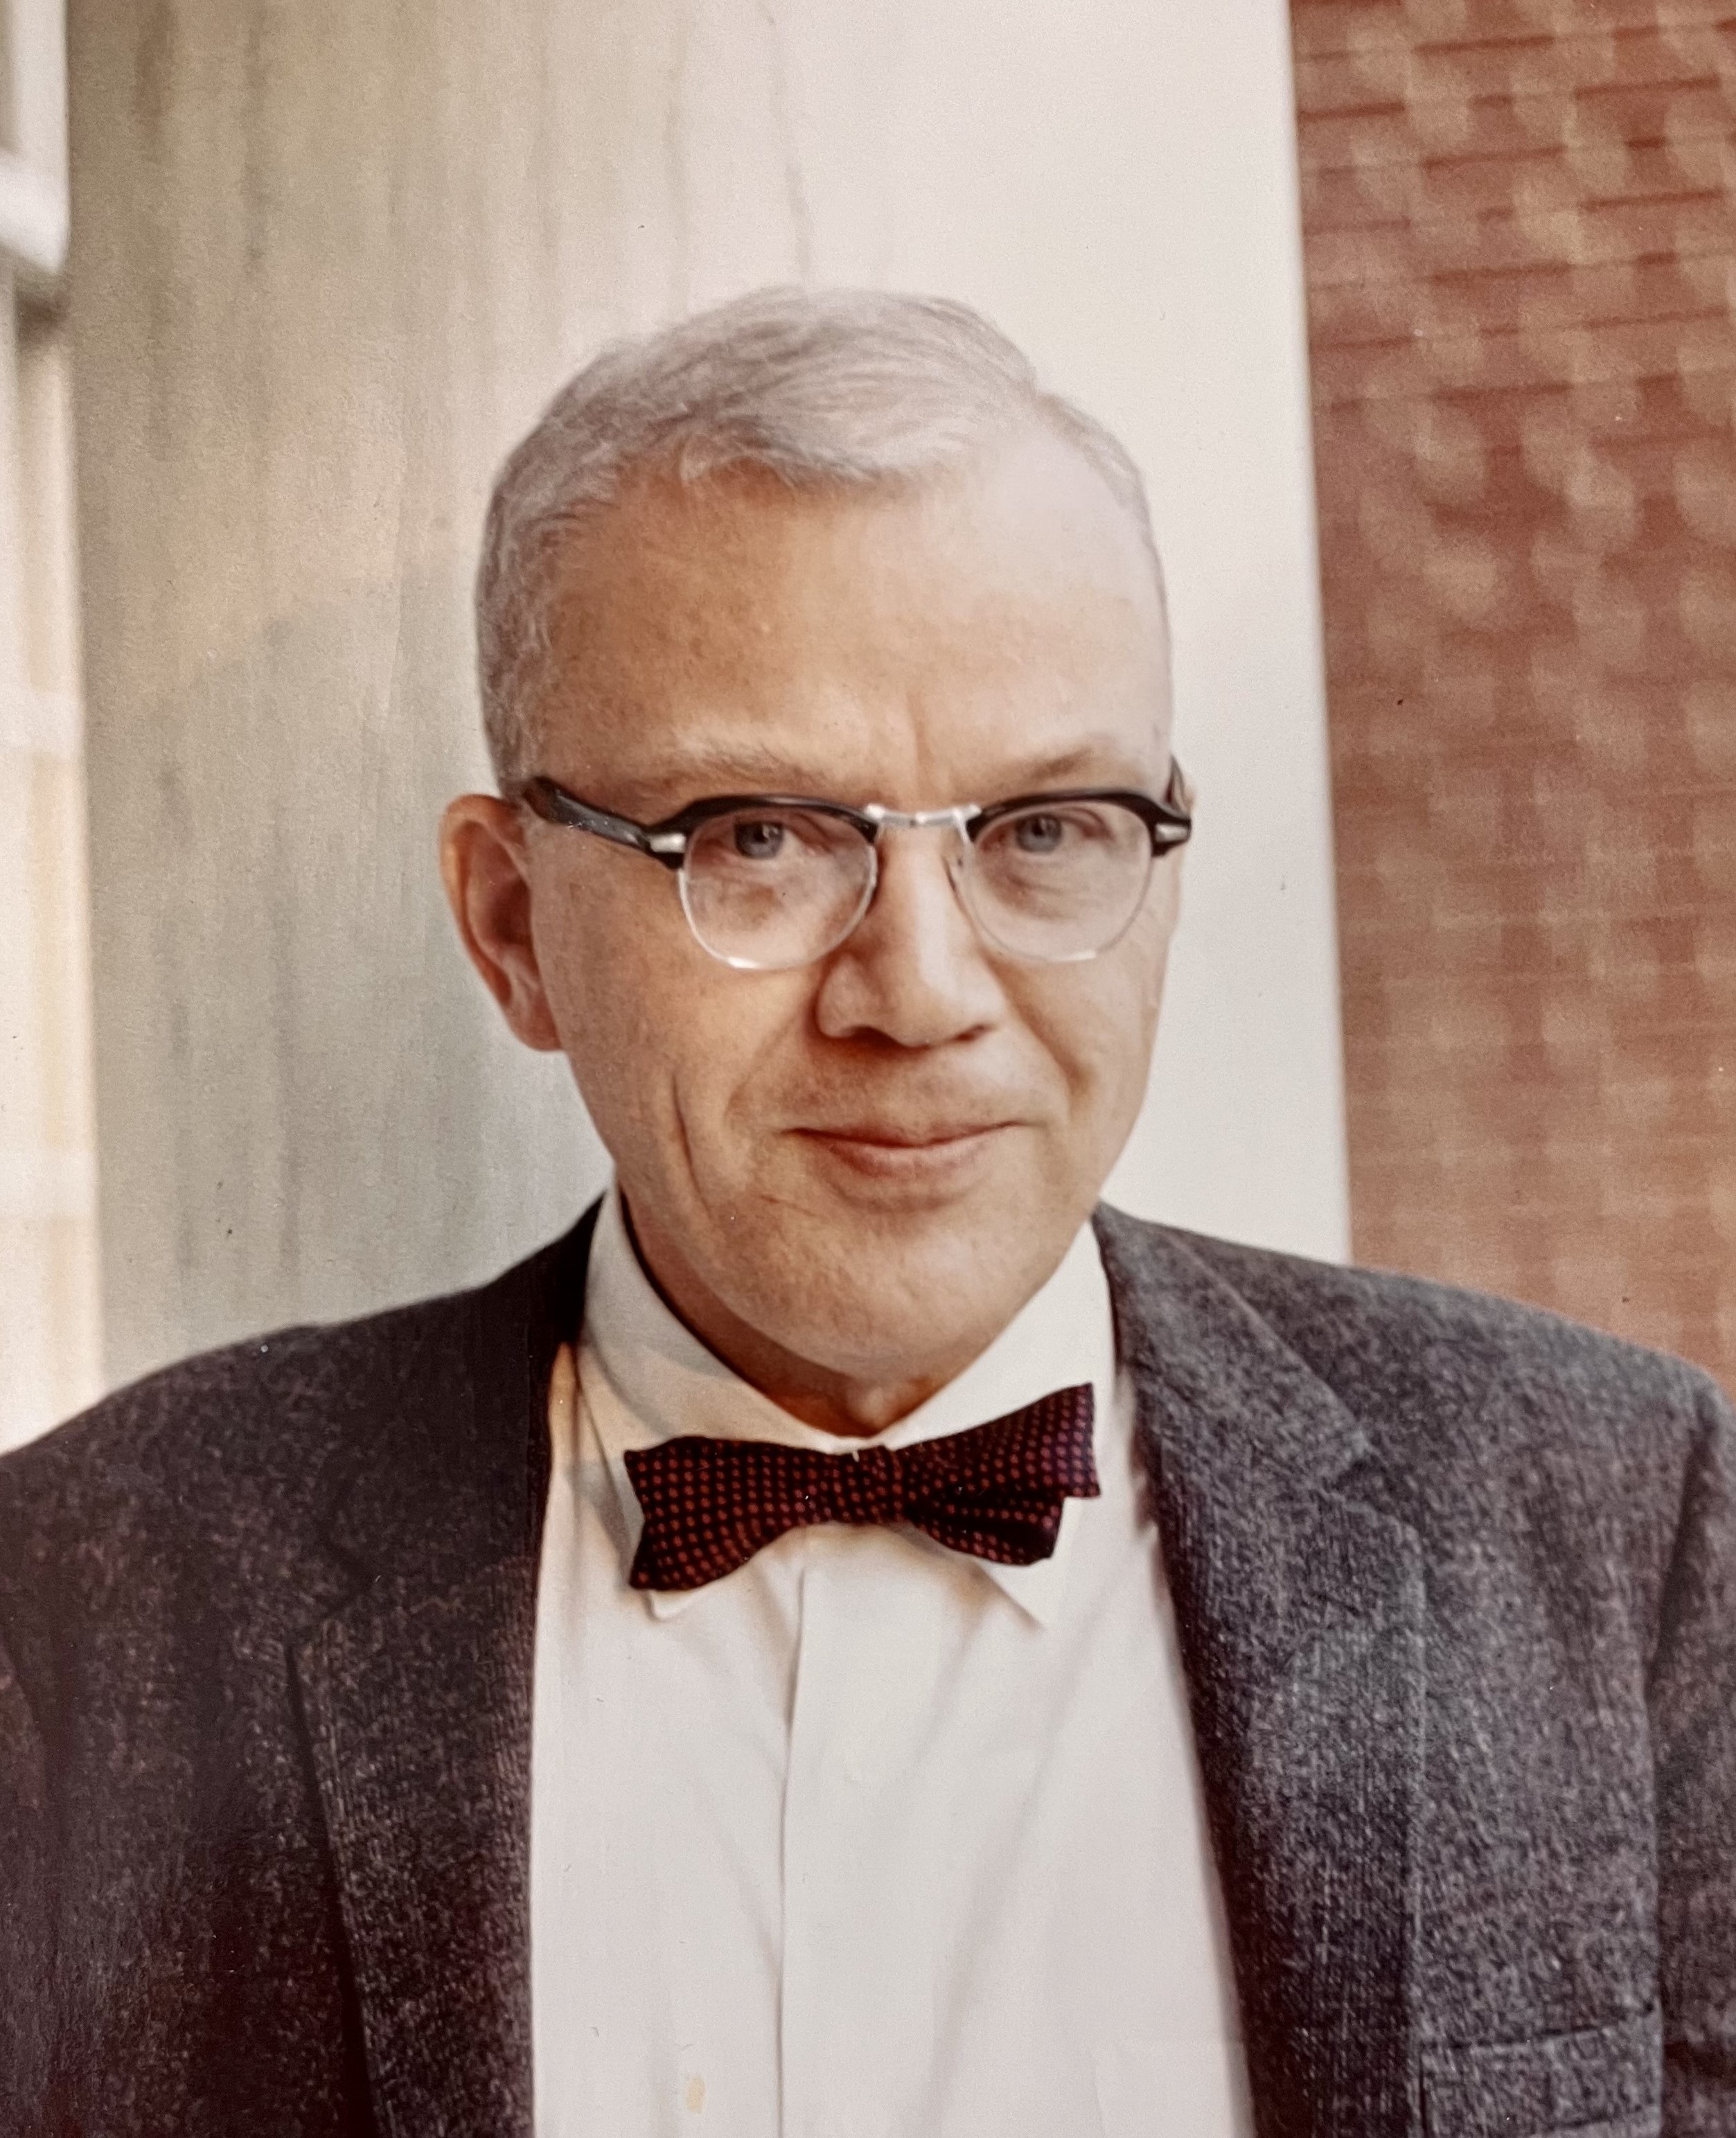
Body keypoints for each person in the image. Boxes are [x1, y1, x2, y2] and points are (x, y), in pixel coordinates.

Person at [1, 288, 1730, 2138]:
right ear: (510, 925)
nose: (917, 992)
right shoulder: (92, 1595)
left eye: (1044, 828)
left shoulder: (1618, 1524)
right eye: (755, 835)